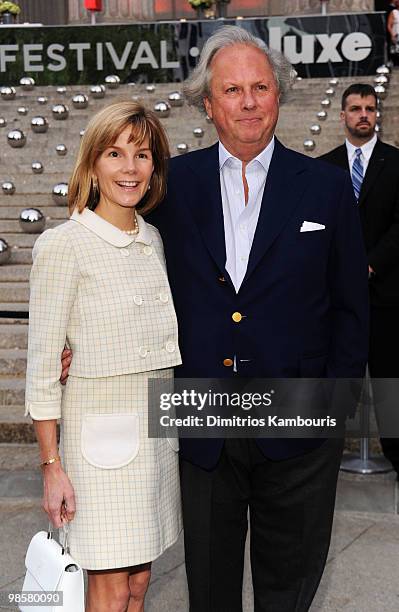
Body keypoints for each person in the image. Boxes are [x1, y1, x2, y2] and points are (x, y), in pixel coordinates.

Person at [61, 26, 369, 612]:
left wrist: (335, 402)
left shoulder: (327, 189)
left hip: (300, 418)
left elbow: (353, 305)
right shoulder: (168, 185)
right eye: (232, 90)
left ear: (279, 96)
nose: (248, 101)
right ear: (208, 104)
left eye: (260, 87)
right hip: (201, 419)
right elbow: (115, 259)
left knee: (290, 584)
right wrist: (76, 338)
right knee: (209, 589)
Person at [25, 101, 182, 612]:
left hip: (156, 442)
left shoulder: (153, 239)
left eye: (141, 155)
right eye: (115, 153)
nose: (129, 168)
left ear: (154, 167)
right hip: (99, 451)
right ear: (93, 163)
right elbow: (44, 365)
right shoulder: (64, 244)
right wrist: (52, 466)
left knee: (139, 584)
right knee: (110, 589)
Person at [320, 83, 399, 477]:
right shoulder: (323, 167)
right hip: (337, 297)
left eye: (369, 108)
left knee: (390, 383)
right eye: (355, 108)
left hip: (387, 295)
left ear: (377, 114)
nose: (363, 114)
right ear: (343, 116)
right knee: (338, 383)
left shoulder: (397, 163)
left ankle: (397, 458)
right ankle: (325, 458)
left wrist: (369, 264)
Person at [387, 0, 399, 65]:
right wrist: (392, 35)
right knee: (395, 51)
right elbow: (389, 25)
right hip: (396, 35)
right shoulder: (394, 12)